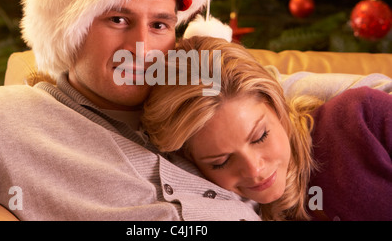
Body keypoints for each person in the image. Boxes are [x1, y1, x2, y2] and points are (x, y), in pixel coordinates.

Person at [0, 0, 263, 221]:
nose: (142, 47)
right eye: (118, 20)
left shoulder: (203, 98)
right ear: (69, 30)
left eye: (159, 25)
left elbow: (287, 96)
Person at [142, 35, 392, 221]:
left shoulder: (362, 118)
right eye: (221, 161)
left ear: (275, 104)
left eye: (260, 137)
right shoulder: (231, 208)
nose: (254, 170)